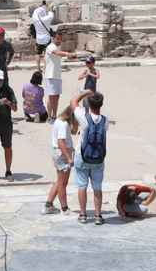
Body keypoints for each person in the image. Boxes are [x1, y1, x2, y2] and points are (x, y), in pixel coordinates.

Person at [72, 89, 109, 224]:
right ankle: (98, 215)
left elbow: (73, 102)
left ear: (89, 104)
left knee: (82, 186)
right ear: (101, 105)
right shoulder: (105, 120)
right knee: (97, 187)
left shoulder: (84, 117)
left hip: (82, 156)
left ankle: (83, 214)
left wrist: (85, 92)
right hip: (98, 158)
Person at [44, 100, 77, 214]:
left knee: (59, 181)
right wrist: (69, 157)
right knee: (63, 183)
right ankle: (64, 208)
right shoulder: (64, 124)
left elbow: (73, 132)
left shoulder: (59, 120)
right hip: (62, 154)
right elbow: (61, 142)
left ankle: (49, 204)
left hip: (58, 153)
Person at [30, 0, 56, 68]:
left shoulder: (35, 18)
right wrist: (49, 8)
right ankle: (45, 68)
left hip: (39, 39)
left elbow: (36, 11)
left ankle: (38, 68)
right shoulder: (47, 19)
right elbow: (51, 13)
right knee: (46, 54)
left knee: (38, 53)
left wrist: (41, 6)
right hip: (47, 39)